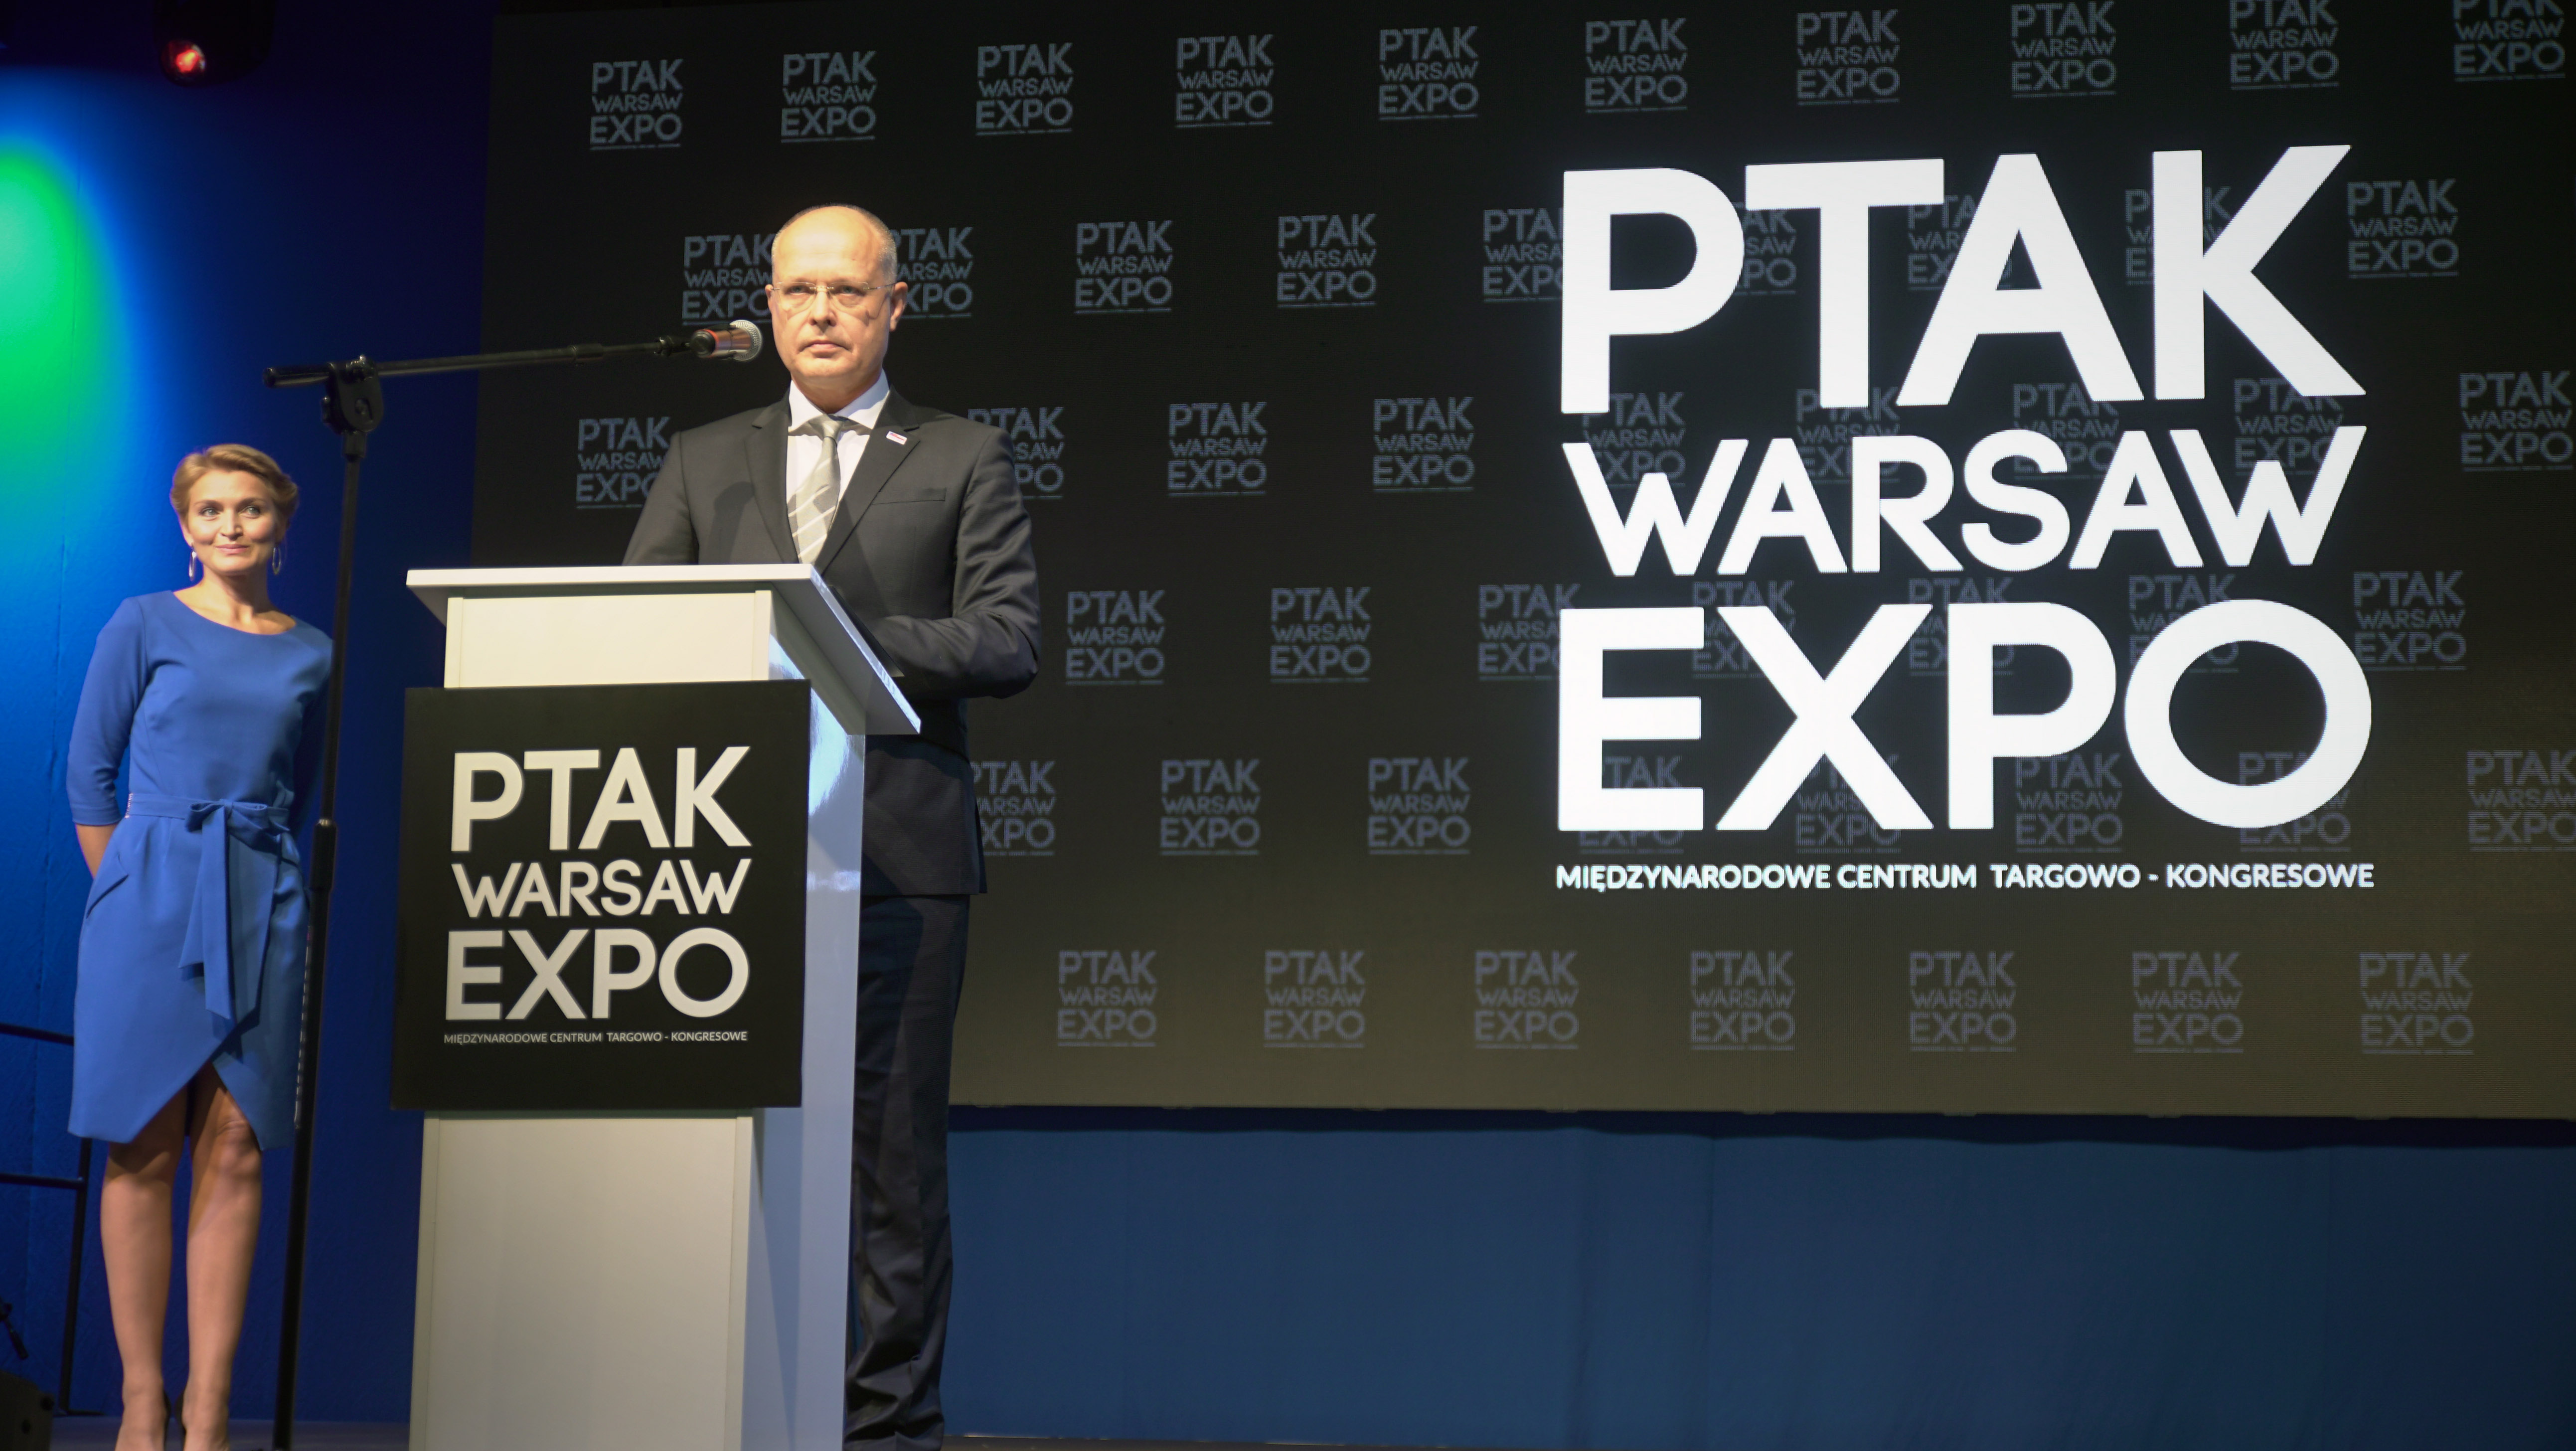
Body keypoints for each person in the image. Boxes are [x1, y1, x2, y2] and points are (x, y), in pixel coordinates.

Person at [624, 203, 1040, 1451]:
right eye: (799, 291)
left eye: (848, 292)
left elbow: (1006, 639)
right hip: (718, 857)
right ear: (767, 302)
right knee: (712, 1144)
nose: (820, 313)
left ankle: (887, 1423)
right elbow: (637, 618)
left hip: (900, 855)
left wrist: (826, 632)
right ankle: (719, 1402)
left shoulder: (962, 453)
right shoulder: (704, 456)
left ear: (893, 307)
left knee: (891, 1162)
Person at [67, 444, 331, 1451]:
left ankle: (210, 1412)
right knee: (142, 1141)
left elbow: (300, 792)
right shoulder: (142, 622)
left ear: (281, 524)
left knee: (236, 1144)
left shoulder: (312, 649)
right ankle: (143, 1405)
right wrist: (129, 891)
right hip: (148, 897)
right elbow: (89, 772)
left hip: (263, 898)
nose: (231, 525)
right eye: (212, 509)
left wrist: (264, 887)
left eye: (251, 508)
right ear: (185, 526)